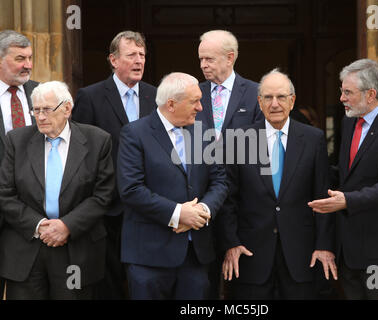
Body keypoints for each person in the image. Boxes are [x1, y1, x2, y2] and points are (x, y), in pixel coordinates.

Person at [220, 69, 336, 299]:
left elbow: (323, 197)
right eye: (268, 98)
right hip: (250, 255)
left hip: (301, 256)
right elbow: (227, 198)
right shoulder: (239, 139)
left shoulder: (313, 139)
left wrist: (324, 245)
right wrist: (230, 243)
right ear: (259, 102)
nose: (275, 104)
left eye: (281, 97)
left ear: (292, 101)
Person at [308, 59, 378, 300]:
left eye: (348, 92)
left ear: (371, 95)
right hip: (350, 251)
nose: (342, 98)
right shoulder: (349, 122)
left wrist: (347, 200)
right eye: (341, 91)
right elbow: (344, 174)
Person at [117, 72, 228, 300]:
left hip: (195, 256)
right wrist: (178, 213)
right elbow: (131, 189)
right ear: (171, 104)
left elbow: (219, 181)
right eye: (194, 101)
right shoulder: (135, 133)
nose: (200, 107)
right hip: (149, 257)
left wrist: (202, 211)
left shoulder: (203, 132)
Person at [0, 81, 115, 299]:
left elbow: (102, 195)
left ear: (67, 109)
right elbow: (5, 194)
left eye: (47, 109)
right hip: (27, 249)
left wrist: (66, 226)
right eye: (36, 110)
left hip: (76, 249)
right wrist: (39, 225)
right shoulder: (17, 140)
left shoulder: (97, 140)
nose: (40, 117)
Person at [71, 30, 157, 299]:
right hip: (108, 208)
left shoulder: (157, 97)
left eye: (142, 55)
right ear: (113, 60)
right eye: (131, 55)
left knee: (145, 279)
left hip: (148, 207)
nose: (139, 61)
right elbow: (80, 154)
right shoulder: (90, 96)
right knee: (108, 283)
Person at [197, 29, 263, 299]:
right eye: (200, 59)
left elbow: (261, 148)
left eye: (209, 59)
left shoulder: (257, 93)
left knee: (245, 284)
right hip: (200, 203)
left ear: (230, 58)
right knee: (203, 285)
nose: (203, 65)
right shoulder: (193, 93)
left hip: (244, 204)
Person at [0, 29, 38, 299]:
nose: (28, 65)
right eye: (20, 58)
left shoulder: (40, 93)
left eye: (30, 57)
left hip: (33, 215)